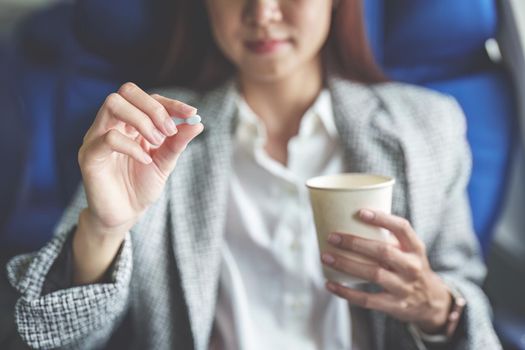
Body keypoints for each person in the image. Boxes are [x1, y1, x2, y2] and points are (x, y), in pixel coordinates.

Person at [6, 0, 502, 349]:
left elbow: (463, 293)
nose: (262, 12)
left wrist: (439, 308)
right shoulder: (148, 130)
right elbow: (49, 337)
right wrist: (104, 227)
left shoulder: (427, 126)